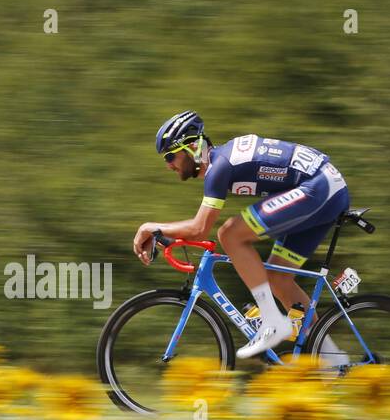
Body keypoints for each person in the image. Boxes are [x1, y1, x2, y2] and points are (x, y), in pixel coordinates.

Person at [132, 110, 352, 358]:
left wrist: (149, 227)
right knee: (278, 279)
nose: (168, 165)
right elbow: (197, 230)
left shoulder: (219, 167)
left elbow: (199, 228)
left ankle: (271, 322)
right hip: (325, 188)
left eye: (171, 156)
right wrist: (168, 234)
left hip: (319, 186)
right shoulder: (220, 163)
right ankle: (336, 362)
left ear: (193, 147)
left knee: (231, 234)